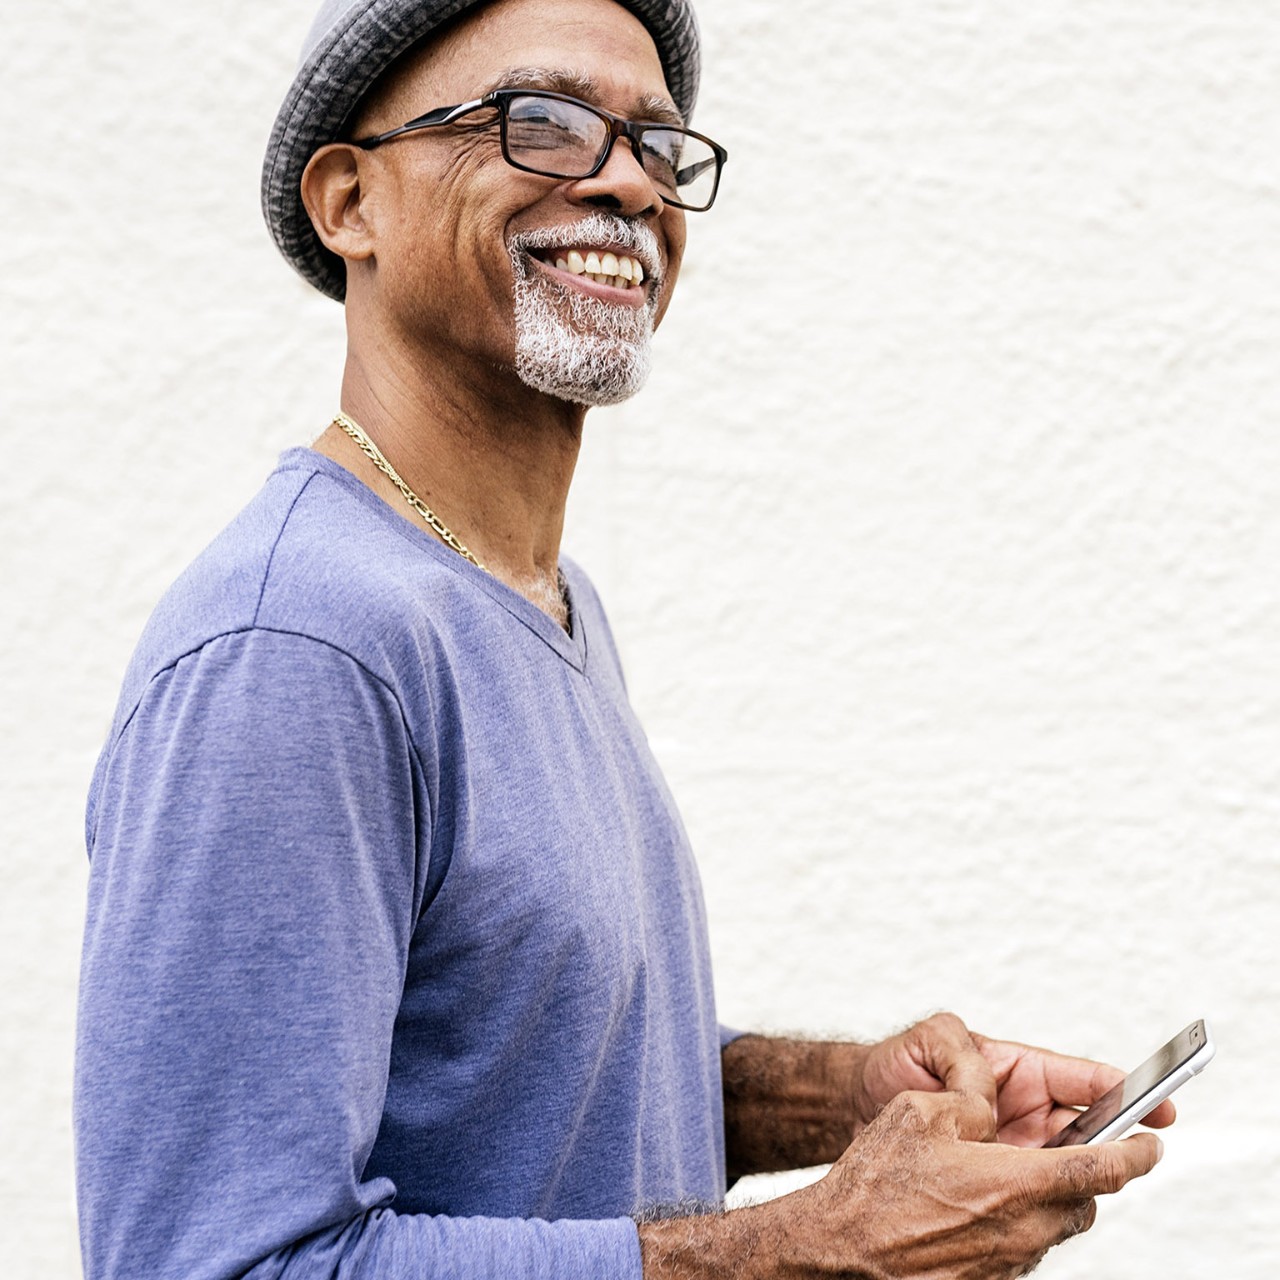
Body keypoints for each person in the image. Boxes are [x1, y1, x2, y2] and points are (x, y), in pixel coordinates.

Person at [74, 0, 1171, 1276]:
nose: (622, 182)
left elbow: (525, 1085)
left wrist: (840, 1099)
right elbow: (209, 1261)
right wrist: (813, 1243)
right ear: (347, 203)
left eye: (658, 146)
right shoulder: (301, 642)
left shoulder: (541, 597)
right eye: (538, 122)